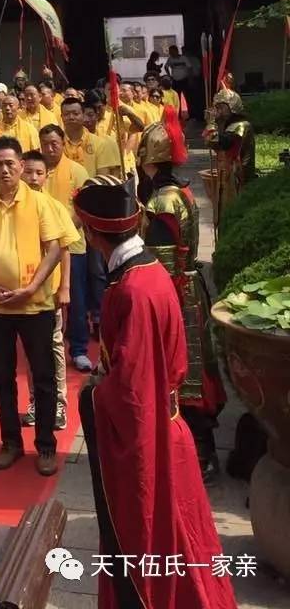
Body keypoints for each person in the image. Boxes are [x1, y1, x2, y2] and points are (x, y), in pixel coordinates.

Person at [74, 183, 238, 609]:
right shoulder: (148, 272)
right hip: (167, 427)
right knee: (184, 542)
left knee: (153, 543)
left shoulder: (133, 289)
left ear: (93, 232)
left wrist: (94, 395)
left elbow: (132, 390)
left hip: (152, 442)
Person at [0, 137, 64, 476]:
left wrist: (33, 286)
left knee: (44, 376)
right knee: (2, 376)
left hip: (35, 306)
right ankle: (11, 443)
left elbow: (53, 248)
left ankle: (46, 445)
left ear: (21, 165)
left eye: (10, 163)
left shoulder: (40, 204)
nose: (5, 169)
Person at [138, 116, 227, 482]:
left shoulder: (161, 200)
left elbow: (159, 262)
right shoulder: (184, 192)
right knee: (193, 371)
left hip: (175, 293)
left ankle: (202, 454)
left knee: (186, 375)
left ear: (150, 160)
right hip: (191, 287)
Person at [20, 151, 78, 430]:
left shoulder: (54, 207)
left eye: (38, 173)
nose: (32, 178)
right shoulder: (13, 205)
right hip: (21, 294)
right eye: (28, 172)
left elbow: (64, 250)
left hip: (48, 292)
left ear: (45, 176)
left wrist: (64, 287)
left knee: (53, 347)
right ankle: (35, 401)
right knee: (31, 351)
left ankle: (59, 405)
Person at [39, 124, 94, 373]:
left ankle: (79, 349)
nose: (50, 149)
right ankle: (46, 347)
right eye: (45, 144)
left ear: (63, 143)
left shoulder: (77, 171)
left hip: (73, 245)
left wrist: (60, 234)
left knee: (75, 298)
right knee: (44, 297)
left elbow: (83, 210)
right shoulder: (35, 171)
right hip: (39, 247)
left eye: (55, 143)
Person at [206, 88, 256, 217]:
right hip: (227, 175)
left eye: (221, 107)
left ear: (232, 107)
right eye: (217, 108)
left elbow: (218, 141)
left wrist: (211, 122)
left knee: (231, 214)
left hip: (237, 178)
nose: (218, 111)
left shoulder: (240, 126)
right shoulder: (229, 126)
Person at [61, 96, 122, 178]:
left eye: (75, 114)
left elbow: (103, 178)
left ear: (83, 115)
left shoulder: (100, 143)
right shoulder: (56, 143)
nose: (71, 117)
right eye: (66, 114)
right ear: (61, 117)